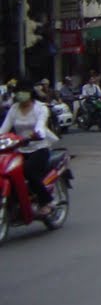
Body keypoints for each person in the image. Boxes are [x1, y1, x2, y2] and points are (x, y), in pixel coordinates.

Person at [0, 79, 57, 216]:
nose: (21, 95)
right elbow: (4, 129)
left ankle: (46, 201)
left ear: (30, 93)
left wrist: (36, 134)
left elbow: (41, 125)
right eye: (18, 92)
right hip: (19, 149)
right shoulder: (14, 109)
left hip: (39, 148)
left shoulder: (40, 108)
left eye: (23, 92)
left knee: (28, 170)